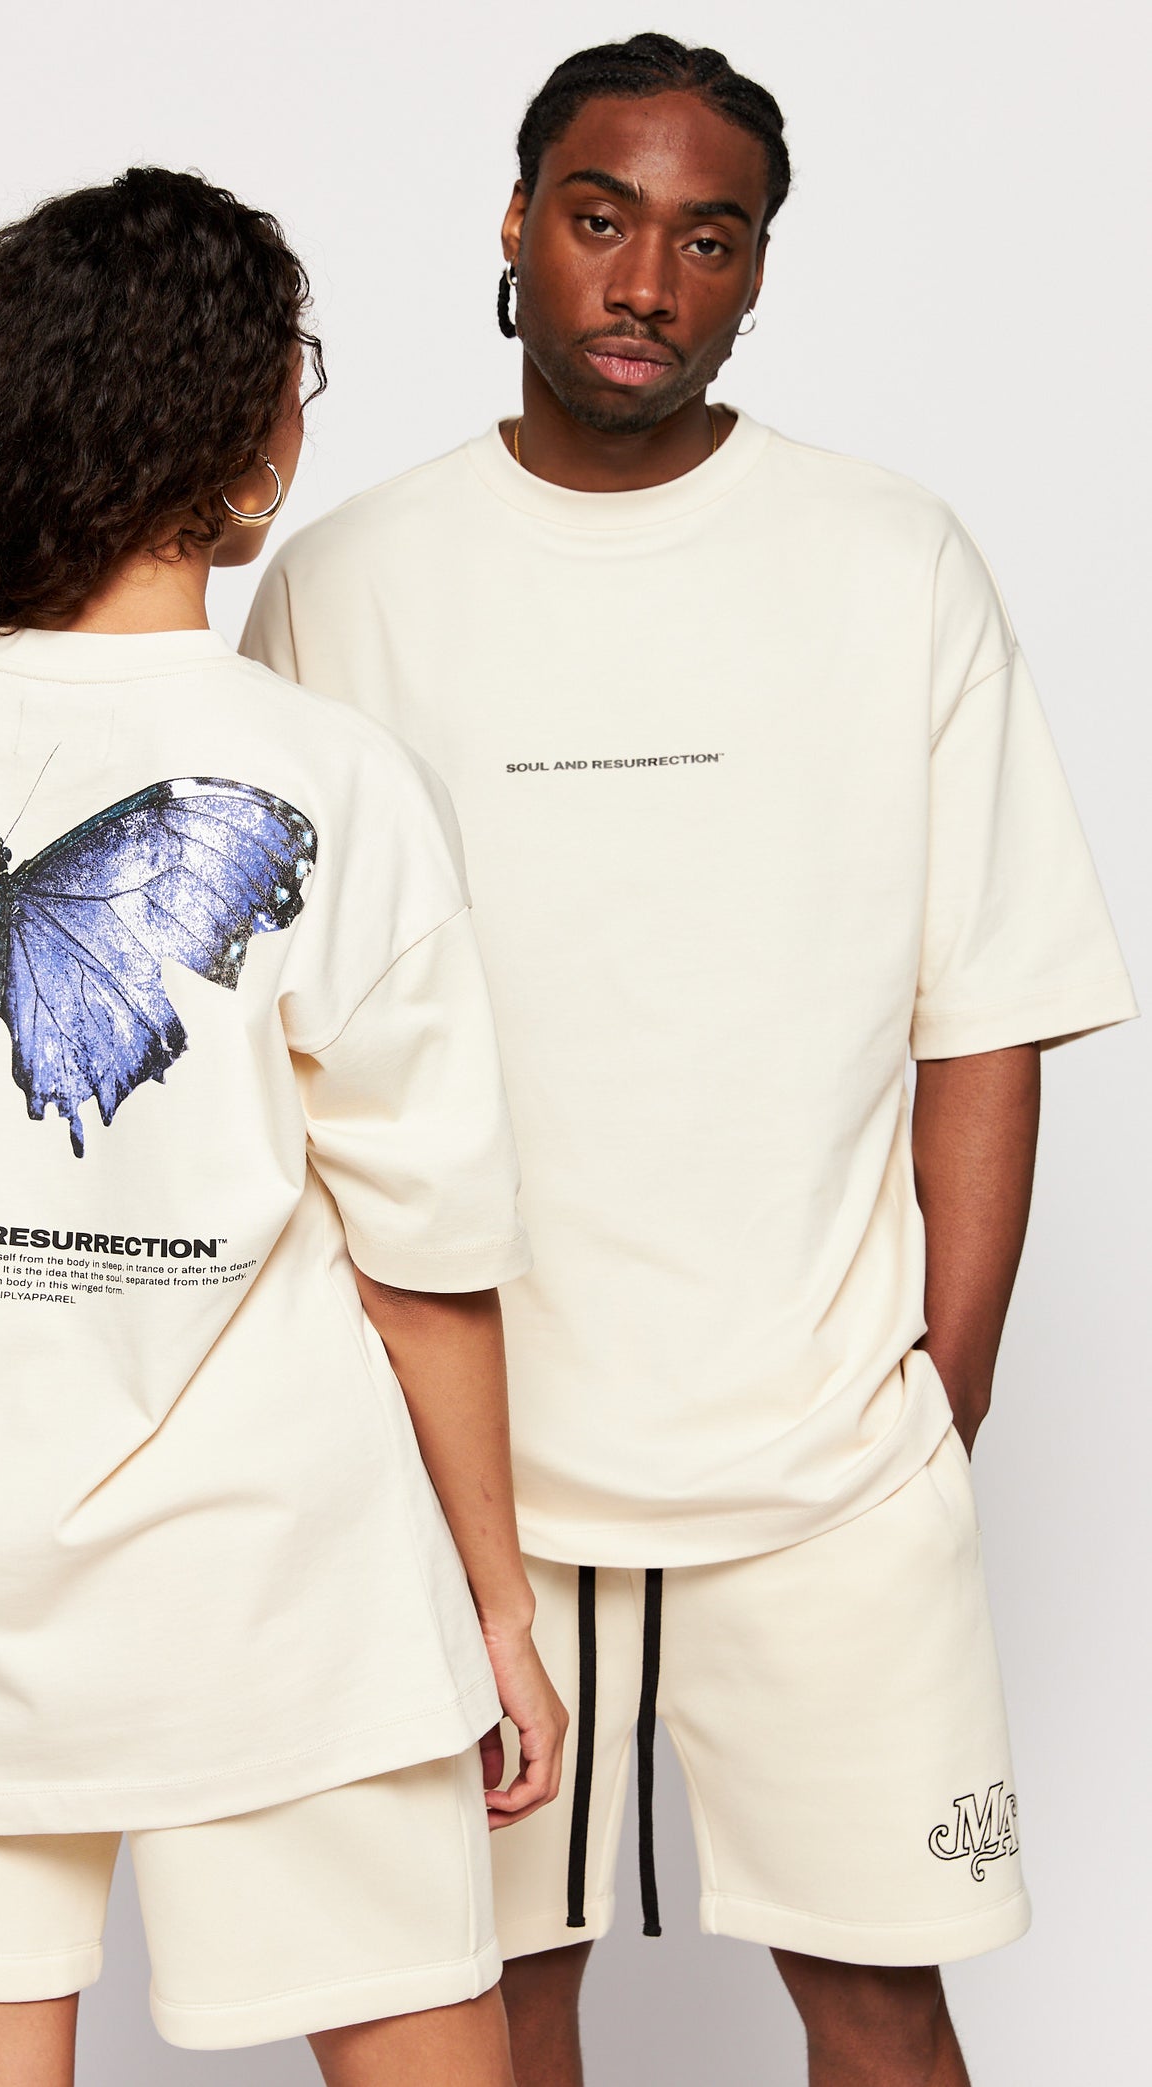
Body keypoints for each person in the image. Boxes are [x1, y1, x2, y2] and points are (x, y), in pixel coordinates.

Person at [241, 34, 1138, 2087]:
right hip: (459, 1470)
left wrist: (940, 1396)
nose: (645, 281)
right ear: (516, 226)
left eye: (706, 239)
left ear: (753, 273)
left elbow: (985, 1010)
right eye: (600, 218)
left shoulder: (889, 559)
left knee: (881, 2007)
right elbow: (280, 1049)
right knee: (482, 2011)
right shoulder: (348, 585)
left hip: (821, 1464)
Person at [0, 165, 566, 2087]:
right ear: (246, 445)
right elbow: (427, 1258)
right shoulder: (325, 773)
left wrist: (16, 1386)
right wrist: (499, 1607)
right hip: (284, 1578)